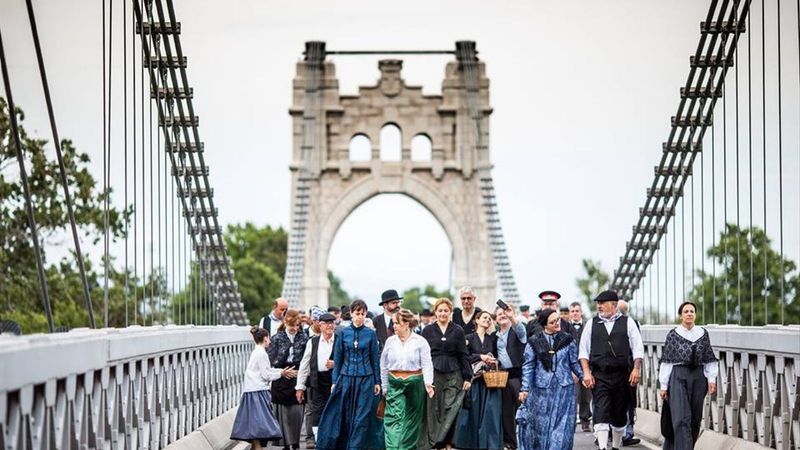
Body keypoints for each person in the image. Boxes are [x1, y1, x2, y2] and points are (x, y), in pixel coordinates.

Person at [578, 290, 644, 450]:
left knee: (619, 413)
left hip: (622, 375)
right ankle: (602, 447)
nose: (599, 306)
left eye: (602, 303)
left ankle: (615, 446)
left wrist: (636, 369)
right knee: (600, 411)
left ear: (613, 305)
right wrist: (586, 372)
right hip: (599, 375)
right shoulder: (590, 324)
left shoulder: (628, 323)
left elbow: (638, 348)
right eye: (598, 303)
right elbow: (583, 351)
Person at [316, 299, 384, 450]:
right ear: (351, 314)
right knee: (344, 415)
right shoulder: (343, 333)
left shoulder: (371, 334)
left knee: (361, 417)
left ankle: (355, 447)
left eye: (362, 313)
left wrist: (377, 382)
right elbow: (338, 359)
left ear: (366, 314)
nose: (360, 316)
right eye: (357, 313)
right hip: (346, 379)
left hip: (366, 379)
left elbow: (375, 359)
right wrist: (334, 381)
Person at [517, 309, 584, 450]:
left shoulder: (568, 340)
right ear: (544, 325)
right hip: (540, 390)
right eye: (552, 322)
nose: (557, 324)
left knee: (562, 426)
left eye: (558, 320)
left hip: (564, 388)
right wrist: (524, 388)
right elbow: (528, 367)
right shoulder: (534, 342)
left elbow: (573, 363)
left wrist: (583, 376)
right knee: (541, 427)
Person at [659, 301, 718, 450]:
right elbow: (667, 361)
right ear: (680, 316)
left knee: (694, 420)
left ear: (695, 315)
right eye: (686, 311)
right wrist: (663, 385)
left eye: (692, 311)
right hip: (678, 376)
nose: (689, 314)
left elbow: (709, 358)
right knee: (681, 419)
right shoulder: (673, 335)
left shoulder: (703, 334)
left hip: (699, 378)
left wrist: (711, 379)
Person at [231, 327, 297, 450]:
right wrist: (281, 373)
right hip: (258, 390)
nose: (270, 342)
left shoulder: (256, 352)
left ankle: (256, 447)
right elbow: (266, 375)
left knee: (255, 420)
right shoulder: (262, 354)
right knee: (261, 421)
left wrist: (281, 371)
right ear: (265, 338)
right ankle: (257, 447)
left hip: (251, 390)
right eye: (269, 339)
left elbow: (265, 371)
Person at [420, 297, 473, 450]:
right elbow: (422, 355)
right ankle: (435, 442)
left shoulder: (457, 330)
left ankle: (448, 442)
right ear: (435, 312)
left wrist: (467, 376)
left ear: (450, 312)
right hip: (433, 372)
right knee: (433, 408)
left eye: (446, 310)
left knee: (451, 407)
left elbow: (463, 354)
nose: (443, 313)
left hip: (453, 372)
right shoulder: (428, 330)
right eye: (440, 310)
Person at [380, 309, 435, 450]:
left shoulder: (420, 341)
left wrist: (428, 383)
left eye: (397, 323)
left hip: (415, 382)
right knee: (393, 418)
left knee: (412, 420)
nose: (394, 326)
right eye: (393, 323)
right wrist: (385, 386)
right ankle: (393, 448)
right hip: (394, 382)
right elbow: (383, 365)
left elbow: (427, 364)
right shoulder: (390, 341)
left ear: (406, 324)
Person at [453, 310, 503, 450]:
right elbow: (464, 357)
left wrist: (493, 361)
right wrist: (481, 357)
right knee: (472, 412)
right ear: (478, 320)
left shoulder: (492, 339)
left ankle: (487, 444)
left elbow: (498, 356)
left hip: (489, 380)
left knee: (489, 414)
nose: (488, 320)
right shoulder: (469, 337)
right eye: (485, 318)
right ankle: (470, 444)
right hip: (474, 380)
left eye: (489, 318)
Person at [267, 309, 309, 450]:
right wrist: (282, 372)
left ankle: (295, 442)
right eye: (292, 326)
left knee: (297, 412)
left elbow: (307, 359)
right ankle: (286, 443)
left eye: (297, 325)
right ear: (285, 323)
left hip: (298, 375)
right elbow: (270, 361)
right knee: (283, 412)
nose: (295, 329)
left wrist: (301, 373)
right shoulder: (276, 338)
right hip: (281, 376)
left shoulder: (304, 338)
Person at [295, 313, 337, 449]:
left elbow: (348, 362)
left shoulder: (340, 340)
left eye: (332, 322)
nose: (330, 325)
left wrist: (335, 364)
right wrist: (300, 387)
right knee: (316, 413)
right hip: (317, 381)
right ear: (320, 325)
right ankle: (319, 441)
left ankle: (332, 441)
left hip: (335, 382)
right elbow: (304, 364)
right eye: (327, 322)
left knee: (334, 412)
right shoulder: (312, 342)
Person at [495, 304, 526, 450]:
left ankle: (526, 442)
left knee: (523, 411)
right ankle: (510, 444)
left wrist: (511, 315)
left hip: (518, 375)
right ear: (495, 319)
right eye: (499, 314)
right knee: (506, 413)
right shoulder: (494, 336)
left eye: (504, 313)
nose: (502, 315)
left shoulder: (516, 330)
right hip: (502, 377)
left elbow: (520, 330)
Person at [617, 299, 642, 446]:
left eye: (623, 312)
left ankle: (628, 432)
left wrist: (636, 368)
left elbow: (638, 346)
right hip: (615, 368)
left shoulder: (633, 324)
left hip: (629, 367)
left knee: (629, 400)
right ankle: (613, 431)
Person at [569, 301, 592, 432]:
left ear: (581, 312)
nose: (575, 313)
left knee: (585, 395)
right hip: (572, 366)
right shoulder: (566, 328)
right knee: (573, 396)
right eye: (572, 311)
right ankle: (571, 422)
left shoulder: (588, 327)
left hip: (586, 365)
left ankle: (585, 420)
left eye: (577, 311)